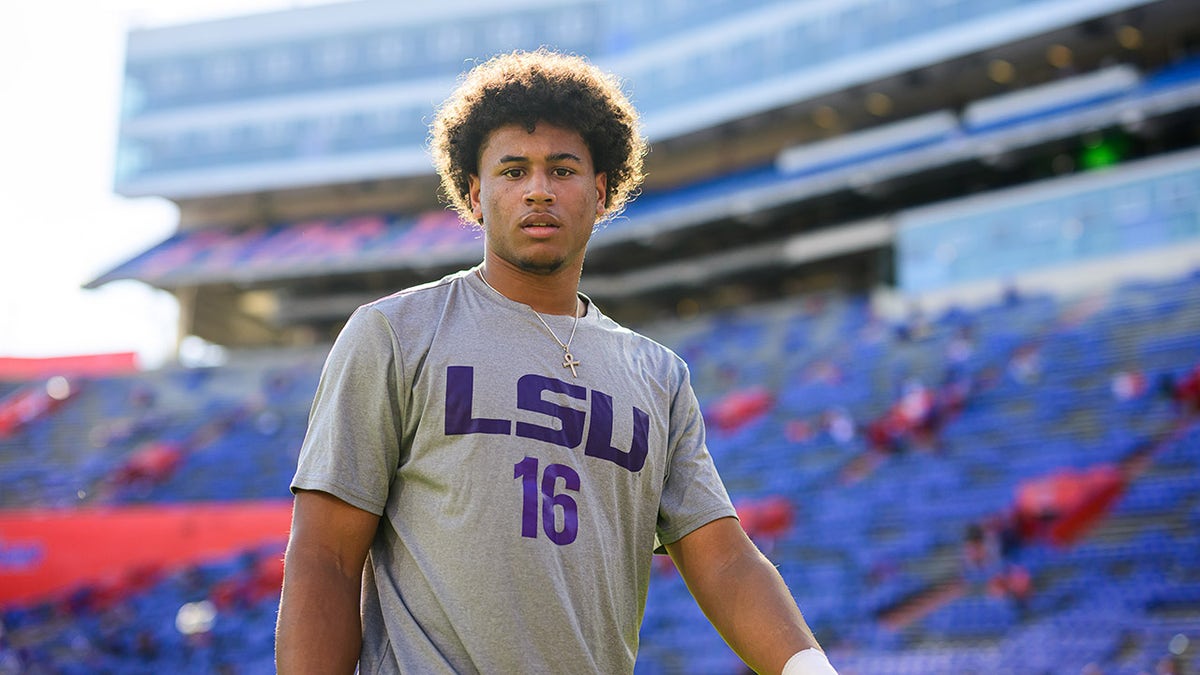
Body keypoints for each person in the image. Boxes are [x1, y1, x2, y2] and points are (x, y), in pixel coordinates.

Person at [274, 49, 834, 675]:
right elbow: (326, 555)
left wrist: (807, 667)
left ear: (599, 192)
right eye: (513, 171)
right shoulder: (395, 333)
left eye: (562, 170)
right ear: (474, 193)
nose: (538, 189)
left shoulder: (658, 376)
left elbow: (722, 557)